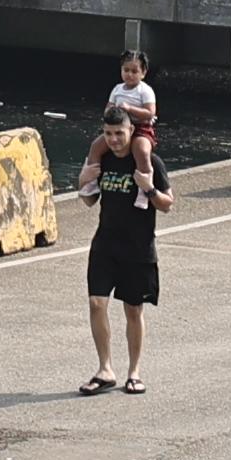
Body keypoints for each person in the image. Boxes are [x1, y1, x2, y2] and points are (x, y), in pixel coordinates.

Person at [78, 107, 166, 394]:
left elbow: (167, 204)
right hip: (105, 245)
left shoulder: (149, 161)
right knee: (96, 304)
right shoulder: (102, 159)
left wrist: (149, 189)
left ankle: (134, 372)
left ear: (131, 131)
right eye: (108, 134)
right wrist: (83, 180)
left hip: (138, 248)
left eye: (119, 133)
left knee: (133, 309)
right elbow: (90, 201)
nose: (114, 139)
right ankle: (105, 369)